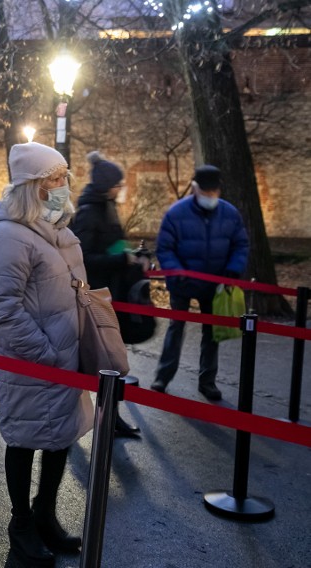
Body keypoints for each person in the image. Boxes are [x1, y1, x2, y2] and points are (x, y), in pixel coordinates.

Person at [0, 142, 86, 567]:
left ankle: (45, 516)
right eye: (56, 180)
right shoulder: (8, 235)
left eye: (65, 178)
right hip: (34, 362)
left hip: (64, 360)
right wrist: (46, 353)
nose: (64, 187)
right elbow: (3, 311)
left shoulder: (55, 229)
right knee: (24, 441)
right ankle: (21, 525)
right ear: (34, 187)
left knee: (59, 439)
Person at [151, 165, 249, 401]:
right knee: (176, 328)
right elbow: (165, 247)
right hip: (183, 281)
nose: (210, 196)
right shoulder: (176, 213)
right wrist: (176, 271)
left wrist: (233, 271)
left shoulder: (230, 213)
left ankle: (208, 381)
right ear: (195, 188)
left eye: (213, 192)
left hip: (215, 284)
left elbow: (240, 245)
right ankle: (162, 377)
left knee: (211, 333)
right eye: (205, 192)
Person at [70, 151, 148, 438]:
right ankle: (100, 417)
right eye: (117, 184)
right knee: (103, 358)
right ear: (106, 185)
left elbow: (112, 243)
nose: (120, 188)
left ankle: (111, 417)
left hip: (111, 291)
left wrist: (128, 254)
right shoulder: (91, 212)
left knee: (111, 358)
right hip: (97, 295)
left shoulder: (106, 205)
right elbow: (86, 256)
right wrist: (122, 260)